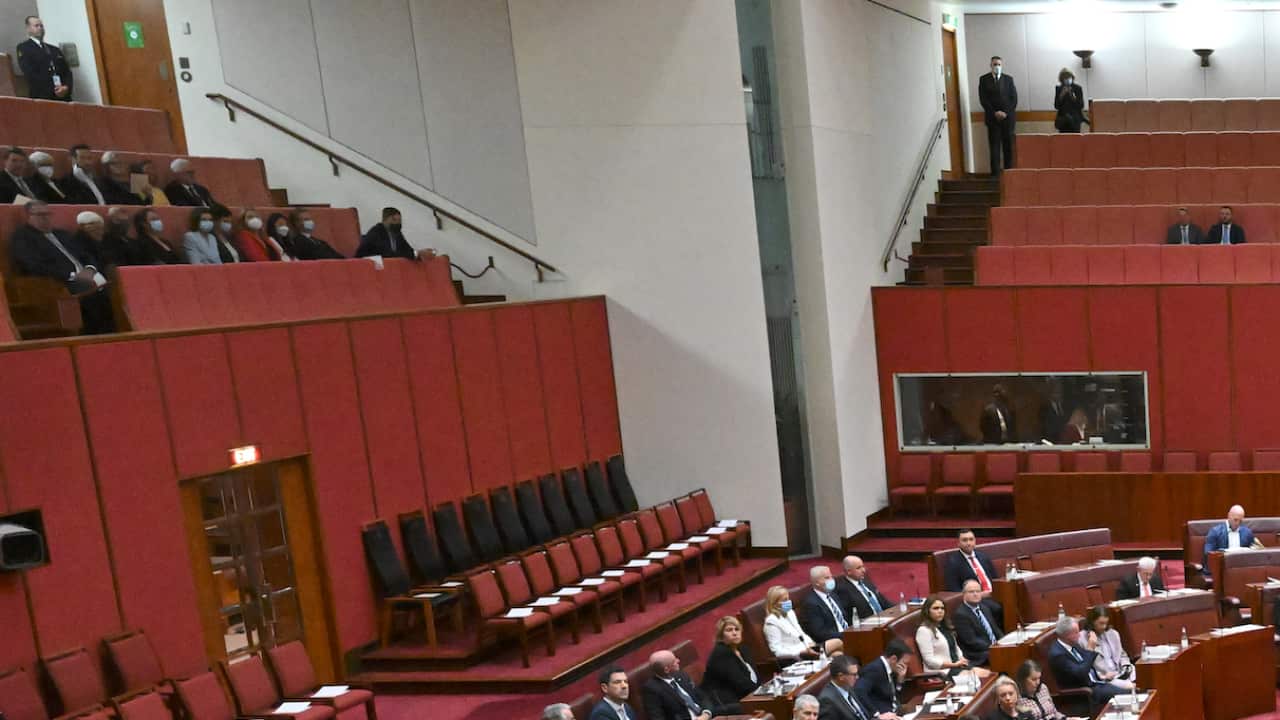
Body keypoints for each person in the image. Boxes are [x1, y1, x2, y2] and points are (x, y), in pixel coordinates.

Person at [10, 201, 114, 334]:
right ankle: (98, 337)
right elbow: (32, 265)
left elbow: (86, 254)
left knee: (116, 289)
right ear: (28, 217)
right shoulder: (22, 237)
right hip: (58, 282)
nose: (45, 218)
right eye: (40, 214)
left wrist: (89, 269)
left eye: (48, 214)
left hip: (87, 275)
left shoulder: (62, 234)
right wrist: (70, 275)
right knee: (97, 295)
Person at [1046, 616, 1123, 713]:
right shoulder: (1058, 655)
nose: (1079, 635)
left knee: (1129, 691)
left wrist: (1100, 676)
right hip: (1083, 693)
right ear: (1067, 635)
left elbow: (1085, 664)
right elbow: (1081, 673)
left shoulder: (1071, 644)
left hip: (1096, 683)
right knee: (1125, 694)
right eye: (1077, 632)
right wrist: (1090, 649)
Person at [916, 594, 991, 678]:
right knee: (978, 677)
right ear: (927, 611)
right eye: (936, 608)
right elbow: (929, 661)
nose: (940, 611)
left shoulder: (944, 627)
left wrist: (961, 658)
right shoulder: (923, 631)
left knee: (988, 674)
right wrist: (953, 664)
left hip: (956, 666)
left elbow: (955, 648)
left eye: (942, 608)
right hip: (941, 671)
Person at [700, 616, 758, 714]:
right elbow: (739, 682)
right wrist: (761, 692)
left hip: (743, 695)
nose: (734, 633)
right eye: (729, 630)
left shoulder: (742, 649)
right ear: (721, 636)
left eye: (737, 629)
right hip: (725, 702)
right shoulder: (720, 653)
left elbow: (755, 674)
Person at [762, 585, 827, 664]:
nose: (789, 601)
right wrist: (799, 653)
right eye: (785, 600)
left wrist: (810, 644)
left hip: (808, 649)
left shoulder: (790, 613)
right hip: (796, 656)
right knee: (837, 642)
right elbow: (776, 650)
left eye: (788, 598)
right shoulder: (771, 623)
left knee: (837, 654)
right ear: (775, 604)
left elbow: (801, 632)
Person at [641, 649, 712, 720]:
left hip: (705, 715)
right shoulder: (651, 690)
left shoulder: (681, 675)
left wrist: (706, 713)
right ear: (666, 670)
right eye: (674, 661)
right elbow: (657, 717)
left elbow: (702, 696)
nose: (678, 660)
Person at [16, 16, 72, 102]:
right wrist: (54, 90)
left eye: (41, 26)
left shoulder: (54, 49)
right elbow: (30, 73)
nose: (40, 28)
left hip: (63, 97)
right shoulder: (24, 48)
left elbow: (67, 71)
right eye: (36, 26)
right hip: (43, 97)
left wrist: (66, 87)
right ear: (28, 28)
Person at [979, 56, 1018, 176]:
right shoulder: (984, 79)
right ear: (990, 65)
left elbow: (1014, 99)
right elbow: (983, 99)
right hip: (992, 119)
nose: (997, 66)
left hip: (1008, 119)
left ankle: (1009, 173)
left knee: (1008, 147)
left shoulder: (1008, 79)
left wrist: (1005, 112)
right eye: (995, 64)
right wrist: (994, 113)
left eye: (999, 64)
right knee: (994, 148)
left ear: (1002, 65)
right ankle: (995, 175)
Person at [1079, 606, 1134, 691]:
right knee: (1132, 686)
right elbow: (1086, 667)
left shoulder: (1113, 634)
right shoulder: (1082, 639)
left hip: (1120, 672)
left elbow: (1122, 655)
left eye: (1106, 623)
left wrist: (1126, 666)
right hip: (1106, 678)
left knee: (1145, 676)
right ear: (1092, 622)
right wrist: (1103, 676)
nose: (1104, 627)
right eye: (1101, 623)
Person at [853, 638, 912, 716]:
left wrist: (900, 680)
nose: (906, 667)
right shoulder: (874, 669)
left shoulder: (893, 669)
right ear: (893, 659)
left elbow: (894, 697)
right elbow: (859, 691)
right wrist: (877, 714)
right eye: (905, 663)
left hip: (896, 711)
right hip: (885, 714)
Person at [952, 580, 1004, 666]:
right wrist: (995, 648)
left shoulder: (984, 608)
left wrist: (1004, 642)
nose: (975, 594)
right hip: (979, 654)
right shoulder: (961, 615)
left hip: (994, 649)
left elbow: (996, 630)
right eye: (971, 592)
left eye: (978, 591)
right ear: (964, 594)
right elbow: (972, 641)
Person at [818, 654, 885, 720]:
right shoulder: (827, 700)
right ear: (841, 676)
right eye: (854, 674)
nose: (857, 677)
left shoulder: (848, 688)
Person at [800, 566, 850, 652]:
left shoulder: (833, 595)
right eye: (827, 578)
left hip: (848, 633)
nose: (831, 580)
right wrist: (846, 635)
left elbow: (844, 617)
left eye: (831, 576)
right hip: (836, 640)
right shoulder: (811, 603)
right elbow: (820, 633)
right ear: (817, 582)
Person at [1015, 659, 1086, 720]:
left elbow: (1054, 712)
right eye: (1034, 679)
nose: (1038, 682)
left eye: (1039, 678)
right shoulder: (1017, 697)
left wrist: (1066, 718)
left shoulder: (1043, 688)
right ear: (1023, 679)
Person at [1203, 505, 1255, 577]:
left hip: (1240, 570)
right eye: (1235, 520)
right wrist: (1225, 552)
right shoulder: (1215, 532)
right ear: (1229, 516)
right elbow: (1208, 554)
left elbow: (1254, 551)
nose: (1237, 524)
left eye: (1240, 521)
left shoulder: (1247, 532)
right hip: (1221, 570)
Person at [834, 555, 890, 621]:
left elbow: (883, 600)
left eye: (863, 566)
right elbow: (848, 616)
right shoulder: (842, 589)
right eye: (858, 568)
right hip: (869, 624)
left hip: (884, 618)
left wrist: (898, 608)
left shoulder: (864, 579)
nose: (863, 570)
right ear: (849, 571)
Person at [1053, 69, 1086, 134]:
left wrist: (1073, 97)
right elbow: (1056, 106)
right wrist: (1061, 95)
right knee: (1063, 139)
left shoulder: (1077, 88)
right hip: (1063, 120)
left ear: (1072, 78)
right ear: (1061, 79)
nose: (1067, 79)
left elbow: (1081, 105)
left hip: (1075, 119)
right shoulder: (1059, 88)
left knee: (1076, 139)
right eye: (1064, 78)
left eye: (1068, 77)